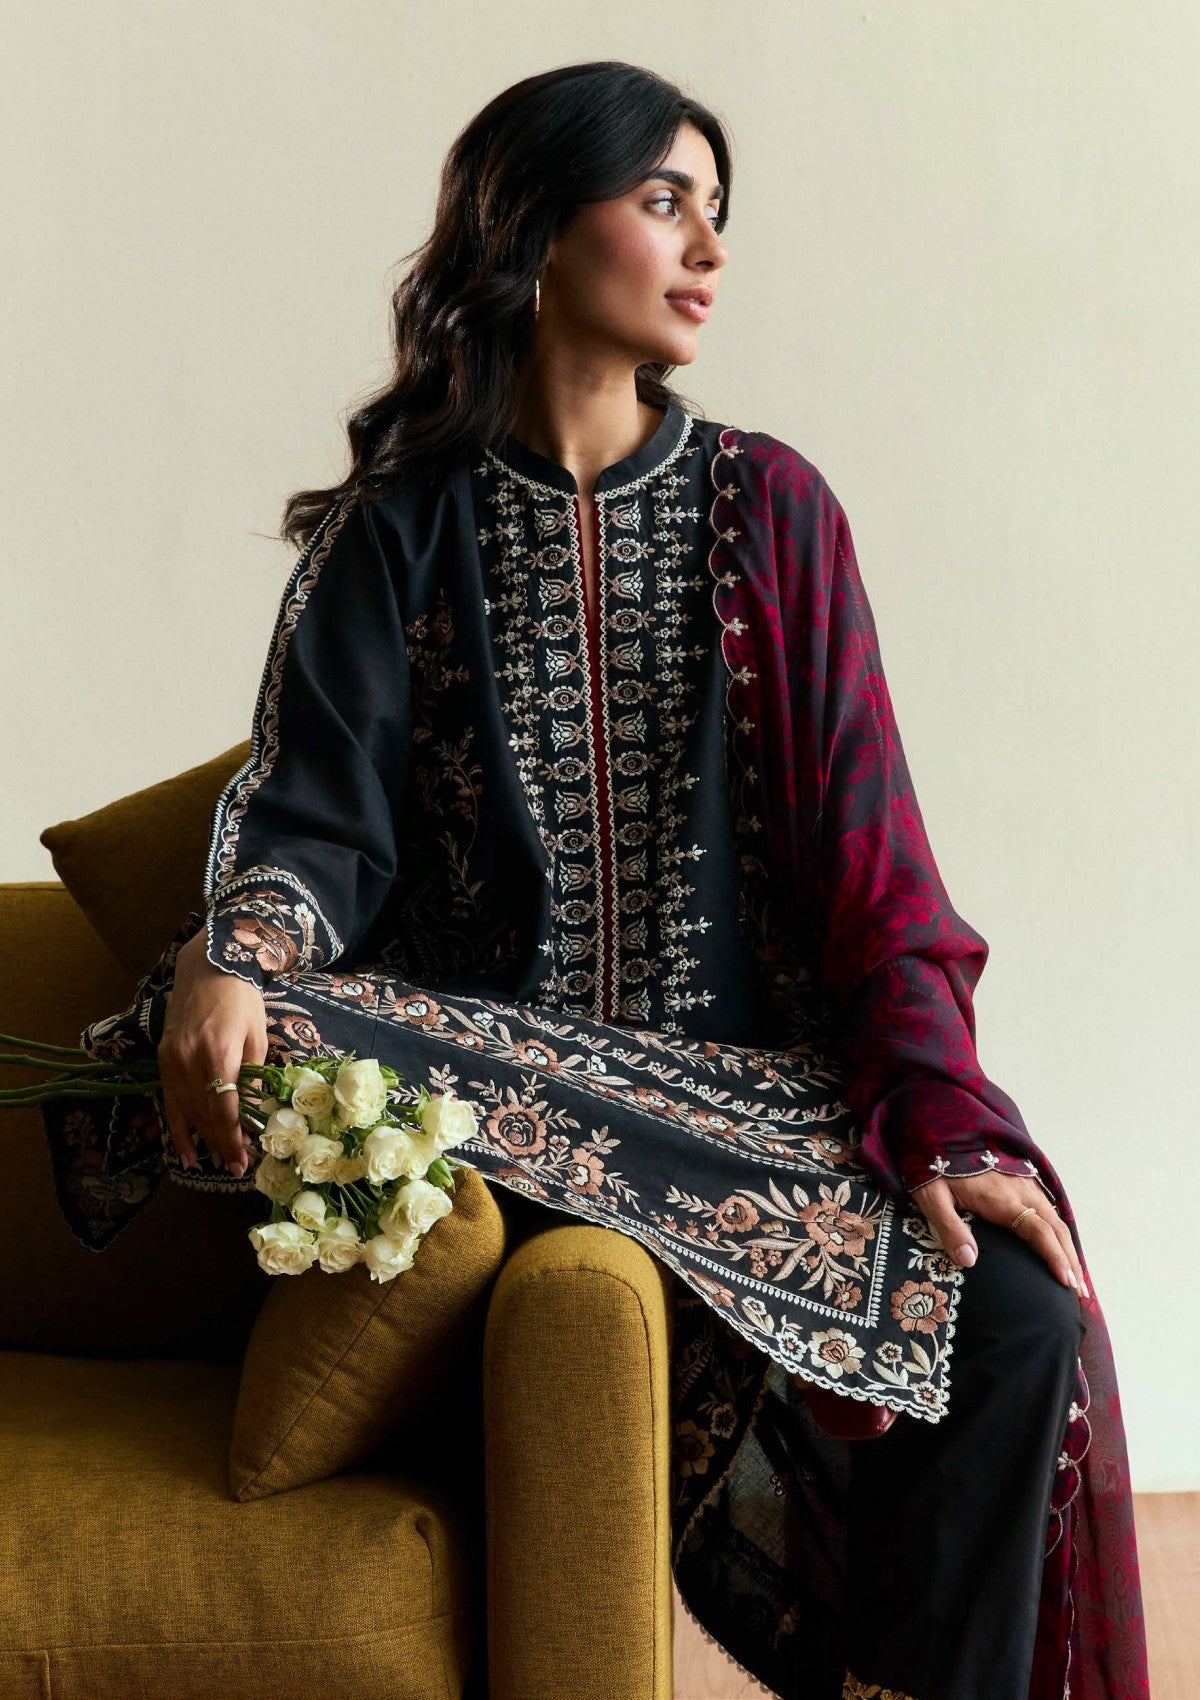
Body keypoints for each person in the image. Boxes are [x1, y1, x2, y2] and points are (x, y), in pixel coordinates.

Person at [47, 60, 1148, 1700]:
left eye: (718, 211)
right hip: (502, 1124)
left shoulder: (772, 511)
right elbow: (318, 821)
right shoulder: (397, 532)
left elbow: (875, 865)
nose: (709, 247)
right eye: (662, 201)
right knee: (285, 1015)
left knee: (1022, 1325)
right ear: (536, 230)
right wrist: (237, 950)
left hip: (747, 1118)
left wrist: (938, 1119)